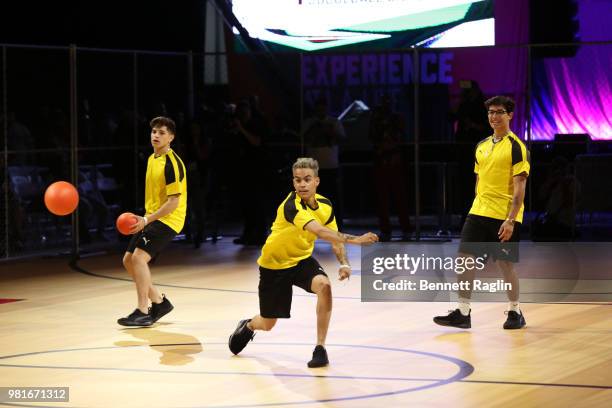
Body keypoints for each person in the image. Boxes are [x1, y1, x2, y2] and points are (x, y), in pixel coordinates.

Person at [228, 158, 378, 367]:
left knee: (324, 286)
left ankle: (320, 348)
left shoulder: (325, 205)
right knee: (268, 323)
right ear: (293, 182)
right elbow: (321, 232)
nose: (302, 184)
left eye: (307, 179)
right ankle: (250, 325)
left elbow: (333, 236)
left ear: (316, 181)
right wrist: (356, 240)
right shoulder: (292, 206)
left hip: (300, 260)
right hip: (274, 266)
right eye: (298, 180)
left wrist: (344, 263)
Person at [433, 96, 530, 330]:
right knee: (465, 259)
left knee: (505, 266)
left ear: (510, 115)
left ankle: (515, 311)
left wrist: (510, 220)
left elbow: (519, 189)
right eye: (490, 113)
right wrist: (477, 204)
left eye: (499, 112)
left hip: (505, 215)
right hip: (479, 211)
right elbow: (479, 180)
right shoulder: (481, 146)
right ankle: (463, 312)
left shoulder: (517, 147)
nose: (494, 117)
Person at [117, 116, 187, 327]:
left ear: (171, 138)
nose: (156, 135)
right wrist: (146, 219)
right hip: (152, 217)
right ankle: (159, 303)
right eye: (154, 132)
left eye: (162, 133)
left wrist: (147, 219)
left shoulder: (172, 164)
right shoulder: (152, 158)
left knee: (138, 259)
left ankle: (142, 310)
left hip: (169, 219)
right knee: (128, 261)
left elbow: (174, 203)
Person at [302, 96, 345, 229]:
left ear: (326, 108)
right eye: (318, 107)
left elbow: (342, 139)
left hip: (331, 165)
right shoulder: (309, 123)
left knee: (333, 198)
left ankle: (336, 224)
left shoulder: (334, 122)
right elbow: (303, 139)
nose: (320, 110)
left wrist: (330, 132)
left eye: (323, 107)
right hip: (313, 167)